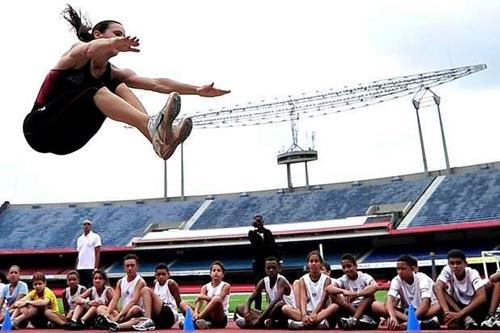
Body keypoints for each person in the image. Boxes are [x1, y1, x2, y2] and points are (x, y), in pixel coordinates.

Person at [23, 4, 229, 159]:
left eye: (122, 35)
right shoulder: (76, 55)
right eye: (117, 34)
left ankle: (159, 141)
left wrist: (198, 90)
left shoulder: (115, 73)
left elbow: (158, 83)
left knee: (116, 85)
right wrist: (113, 43)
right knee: (96, 88)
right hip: (40, 129)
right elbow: (88, 49)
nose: (122, 38)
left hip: (70, 140)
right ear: (98, 35)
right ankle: (151, 126)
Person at [371, 255, 441, 330]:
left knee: (438, 306)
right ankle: (421, 323)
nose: (400, 272)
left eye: (403, 269)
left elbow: (426, 303)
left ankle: (411, 322)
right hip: (407, 312)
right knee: (375, 305)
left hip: (424, 311)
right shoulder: (396, 280)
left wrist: (411, 319)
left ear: (413, 269)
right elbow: (389, 300)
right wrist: (392, 316)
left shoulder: (422, 279)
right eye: (398, 269)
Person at [434, 249, 490, 329]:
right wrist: (447, 312)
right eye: (452, 263)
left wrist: (460, 314)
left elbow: (482, 297)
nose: (455, 266)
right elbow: (437, 287)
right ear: (448, 264)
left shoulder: (472, 272)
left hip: (473, 306)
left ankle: (490, 316)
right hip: (457, 305)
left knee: (488, 285)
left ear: (465, 264)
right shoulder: (447, 270)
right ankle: (461, 317)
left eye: (458, 263)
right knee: (436, 287)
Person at [235, 256, 297, 329]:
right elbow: (250, 299)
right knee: (240, 308)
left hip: (284, 312)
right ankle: (264, 322)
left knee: (279, 304)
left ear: (279, 269)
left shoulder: (281, 281)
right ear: (265, 269)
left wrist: (259, 319)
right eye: (268, 268)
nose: (271, 270)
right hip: (270, 314)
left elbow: (276, 301)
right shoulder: (263, 281)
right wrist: (246, 312)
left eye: (274, 268)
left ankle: (255, 323)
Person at [132, 263, 191, 331]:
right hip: (160, 317)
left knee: (145, 289)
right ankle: (118, 325)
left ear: (168, 275)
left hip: (169, 314)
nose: (161, 276)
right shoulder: (155, 283)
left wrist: (187, 318)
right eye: (158, 275)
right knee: (135, 316)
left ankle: (148, 320)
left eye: (163, 274)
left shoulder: (170, 283)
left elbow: (179, 302)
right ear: (155, 275)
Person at [287, 250, 338, 330]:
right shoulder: (303, 279)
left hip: (320, 311)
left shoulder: (327, 279)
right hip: (307, 312)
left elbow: (323, 300)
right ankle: (316, 323)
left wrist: (315, 313)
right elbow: (303, 299)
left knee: (335, 306)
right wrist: (304, 314)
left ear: (320, 264)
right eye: (311, 261)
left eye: (316, 261)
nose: (313, 263)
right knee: (285, 308)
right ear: (308, 264)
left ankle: (304, 324)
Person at [328, 253, 379, 330]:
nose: (346, 270)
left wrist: (357, 294)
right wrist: (344, 291)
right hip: (350, 309)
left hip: (365, 308)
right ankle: (360, 319)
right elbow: (329, 288)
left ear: (355, 265)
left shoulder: (364, 276)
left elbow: (375, 286)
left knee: (369, 295)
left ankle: (354, 319)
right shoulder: (343, 279)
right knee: (333, 295)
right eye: (344, 267)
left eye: (349, 266)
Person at [96, 253, 146, 331]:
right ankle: (111, 322)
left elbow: (133, 301)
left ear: (137, 267)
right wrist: (107, 314)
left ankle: (115, 323)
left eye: (132, 265)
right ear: (124, 268)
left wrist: (119, 316)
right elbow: (114, 300)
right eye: (127, 266)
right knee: (100, 308)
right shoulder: (120, 281)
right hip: (122, 313)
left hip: (132, 312)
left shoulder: (140, 282)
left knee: (135, 309)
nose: (130, 268)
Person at [248, 214, 279, 310]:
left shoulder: (268, 232)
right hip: (258, 265)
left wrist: (279, 261)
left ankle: (273, 307)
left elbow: (273, 247)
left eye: (259, 220)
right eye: (256, 220)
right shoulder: (252, 233)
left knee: (271, 287)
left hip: (269, 264)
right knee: (258, 288)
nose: (258, 222)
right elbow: (258, 245)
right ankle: (258, 309)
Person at [187, 261, 231, 330]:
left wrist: (202, 296)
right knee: (184, 304)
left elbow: (219, 299)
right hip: (208, 315)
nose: (216, 272)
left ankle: (195, 321)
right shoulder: (205, 287)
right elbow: (199, 300)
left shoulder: (226, 286)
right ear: (210, 274)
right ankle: (204, 323)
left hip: (220, 318)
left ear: (223, 274)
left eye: (218, 271)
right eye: (214, 270)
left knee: (216, 299)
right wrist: (195, 312)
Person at [76, 218, 101, 288]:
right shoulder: (79, 239)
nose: (86, 226)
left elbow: (97, 252)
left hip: (90, 267)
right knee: (81, 288)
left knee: (90, 287)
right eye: (85, 224)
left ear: (91, 226)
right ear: (82, 226)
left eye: (88, 224)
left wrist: (96, 267)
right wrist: (76, 268)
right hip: (80, 267)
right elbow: (79, 254)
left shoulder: (95, 237)